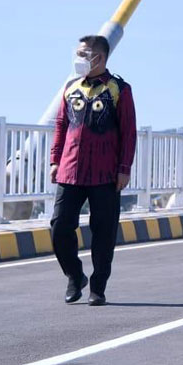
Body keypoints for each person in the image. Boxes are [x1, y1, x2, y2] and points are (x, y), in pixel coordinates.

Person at [49, 35, 136, 306]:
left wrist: (124, 168)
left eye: (84, 54)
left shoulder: (118, 89)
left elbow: (128, 132)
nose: (79, 59)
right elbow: (61, 125)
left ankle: (98, 286)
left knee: (104, 231)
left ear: (99, 57)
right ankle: (75, 275)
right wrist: (55, 160)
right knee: (59, 226)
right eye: (78, 53)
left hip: (105, 173)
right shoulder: (71, 88)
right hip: (70, 170)